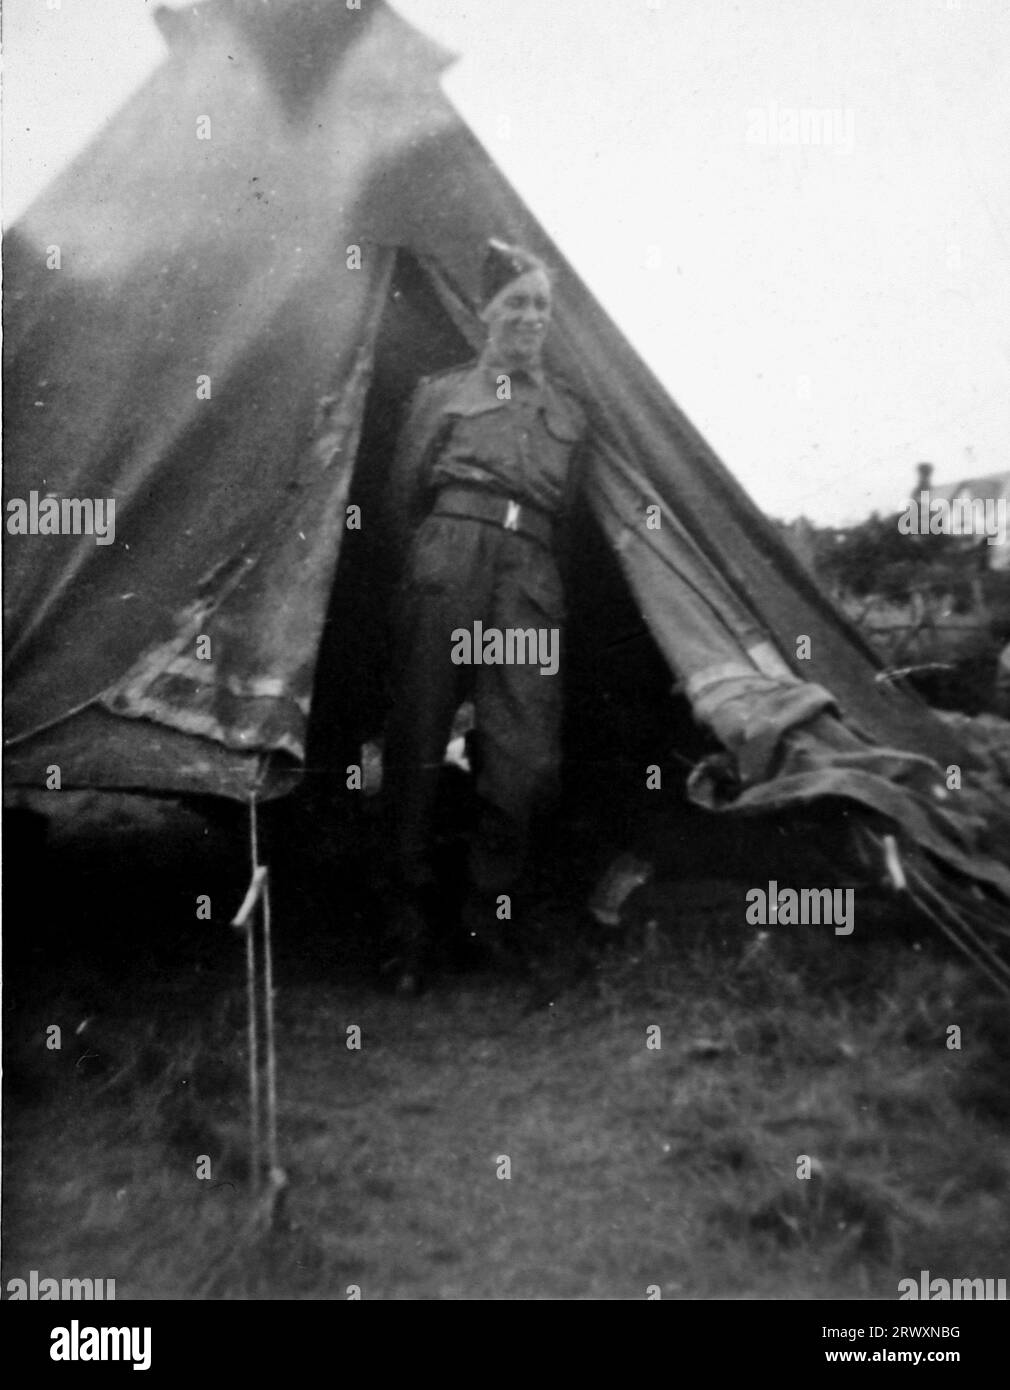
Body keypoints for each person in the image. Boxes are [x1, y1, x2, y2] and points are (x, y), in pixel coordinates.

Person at [382, 239, 591, 981]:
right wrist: (438, 558)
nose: (531, 317)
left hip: (529, 577)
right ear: (484, 314)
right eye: (516, 304)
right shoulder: (439, 394)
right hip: (447, 560)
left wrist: (523, 565)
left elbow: (567, 517)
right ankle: (403, 935)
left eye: (541, 305)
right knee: (417, 745)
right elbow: (402, 496)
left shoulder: (570, 410)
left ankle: (487, 920)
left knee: (523, 758)